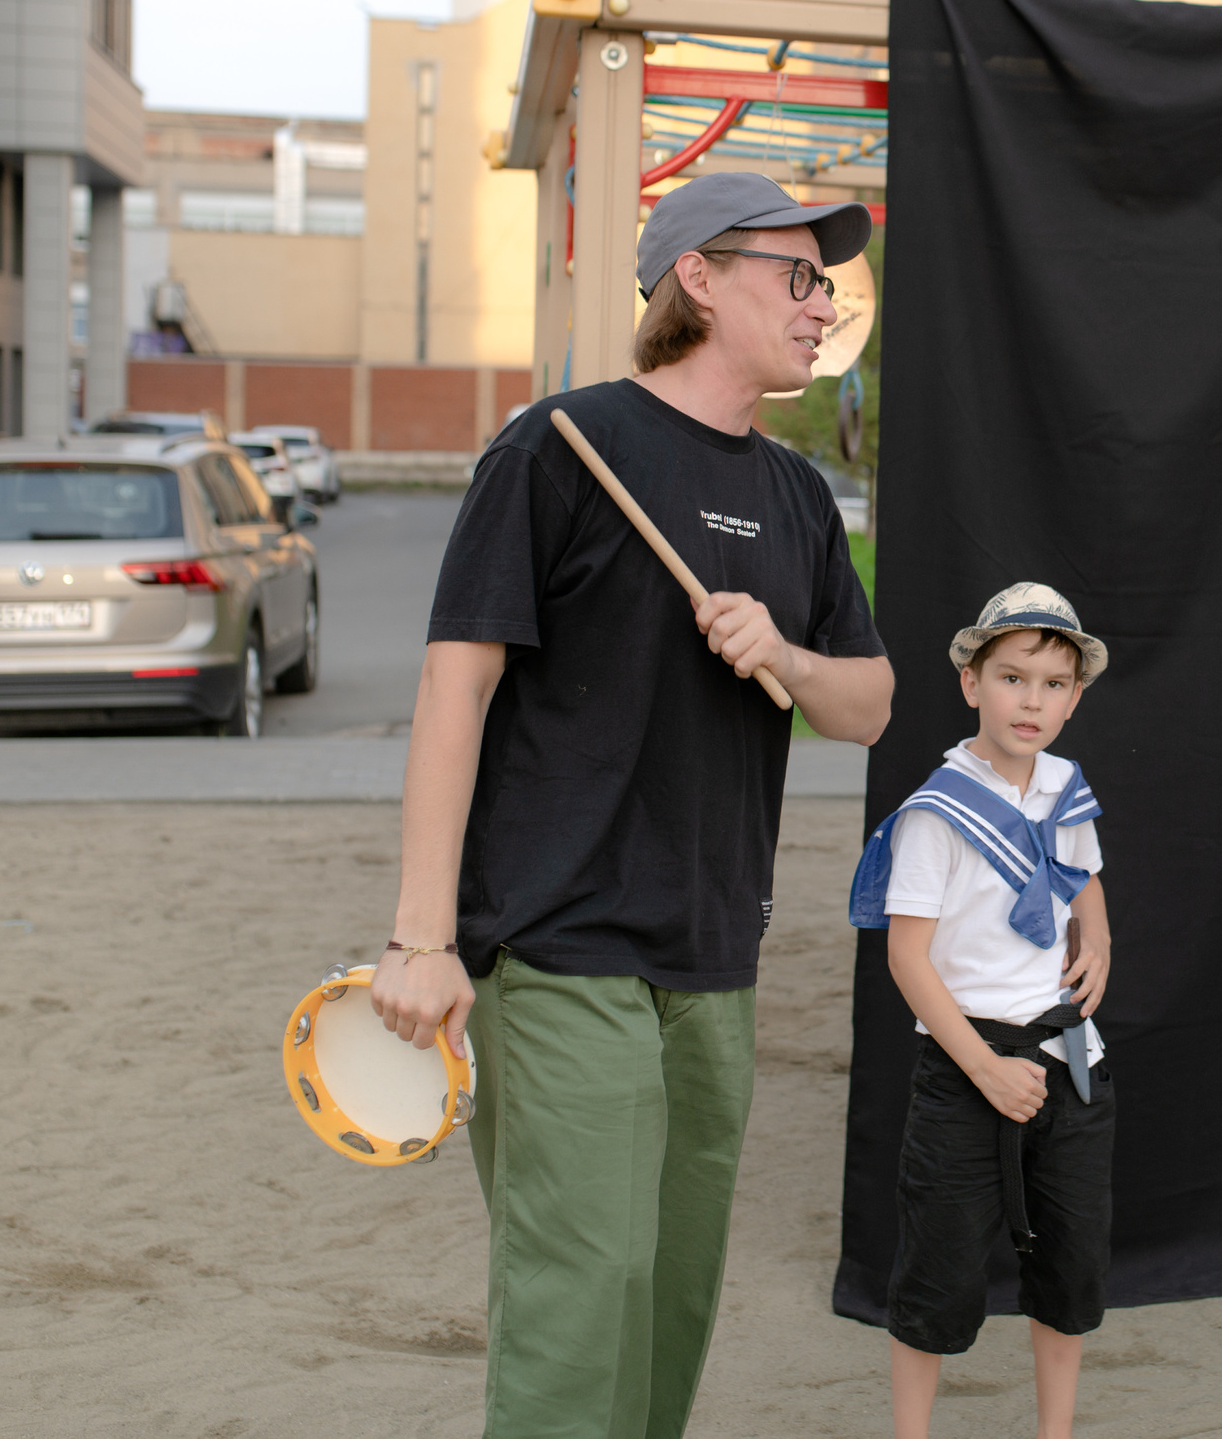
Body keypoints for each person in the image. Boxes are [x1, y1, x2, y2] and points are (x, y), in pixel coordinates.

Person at [369, 171, 896, 1439]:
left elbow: (866, 706)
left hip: (715, 953)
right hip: (557, 945)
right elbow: (455, 693)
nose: (823, 306)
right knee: (582, 1287)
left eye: (828, 283)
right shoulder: (559, 447)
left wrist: (787, 653)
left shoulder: (796, 498)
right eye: (798, 275)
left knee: (669, 1297)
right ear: (699, 278)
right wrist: (421, 936)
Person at [847, 584, 1117, 1439]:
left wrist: (1098, 937)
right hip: (969, 1063)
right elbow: (905, 956)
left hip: (1070, 1058)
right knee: (938, 1269)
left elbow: (1083, 873)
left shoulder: (1066, 783)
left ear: (1075, 697)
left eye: (1052, 682)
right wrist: (988, 1070)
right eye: (1011, 676)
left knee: (1070, 1266)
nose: (1030, 699)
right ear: (971, 682)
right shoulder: (938, 811)